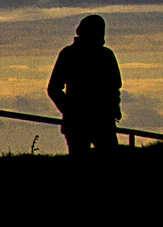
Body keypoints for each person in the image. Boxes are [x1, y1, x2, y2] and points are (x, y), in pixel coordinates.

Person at [47, 14, 122, 154]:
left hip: (97, 121)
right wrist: (70, 109)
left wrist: (113, 108)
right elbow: (54, 89)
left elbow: (114, 87)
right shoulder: (71, 54)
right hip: (87, 122)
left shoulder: (104, 55)